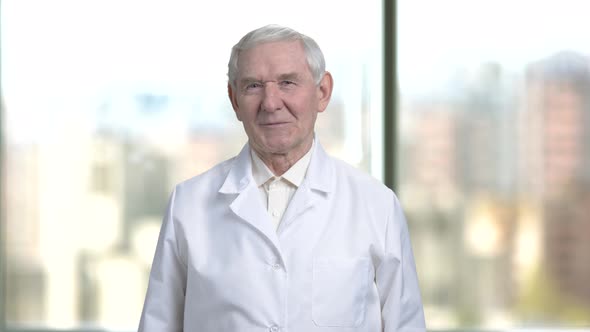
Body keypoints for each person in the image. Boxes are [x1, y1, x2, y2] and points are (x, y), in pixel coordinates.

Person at [138, 24, 425, 332]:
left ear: (322, 92)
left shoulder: (376, 205)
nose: (271, 102)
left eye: (288, 83)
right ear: (234, 100)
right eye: (253, 86)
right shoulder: (189, 205)